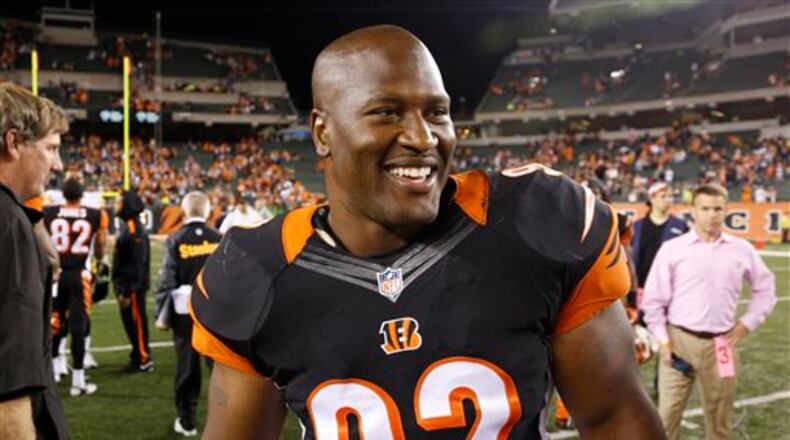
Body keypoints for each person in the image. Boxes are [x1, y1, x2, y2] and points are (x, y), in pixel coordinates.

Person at [191, 25, 664, 439]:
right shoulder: (256, 272)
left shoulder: (537, 223)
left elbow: (614, 419)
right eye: (386, 112)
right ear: (322, 133)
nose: (423, 138)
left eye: (437, 112)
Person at [641, 184, 777, 440]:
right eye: (705, 208)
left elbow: (766, 289)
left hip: (721, 345)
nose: (711, 215)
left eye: (717, 208)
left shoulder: (742, 249)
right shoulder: (673, 249)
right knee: (665, 420)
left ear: (726, 210)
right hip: (678, 341)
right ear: (693, 211)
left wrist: (748, 322)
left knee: (720, 423)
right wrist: (663, 341)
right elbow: (654, 300)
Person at [0, 82, 68, 439]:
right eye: (51, 148)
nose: (58, 163)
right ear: (13, 143)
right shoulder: (10, 223)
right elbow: (10, 390)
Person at [154, 191, 221, 437]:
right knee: (220, 370)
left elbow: (166, 279)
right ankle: (225, 419)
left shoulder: (176, 238)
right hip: (215, 312)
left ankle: (187, 421)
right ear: (208, 211)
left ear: (183, 211)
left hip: (186, 313)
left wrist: (162, 315)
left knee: (187, 368)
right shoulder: (219, 237)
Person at [43, 177, 108, 395]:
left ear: (63, 194)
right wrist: (99, 258)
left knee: (54, 322)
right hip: (79, 274)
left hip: (55, 274)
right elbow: (100, 246)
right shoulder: (94, 214)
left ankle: (52, 373)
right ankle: (78, 382)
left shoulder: (49, 212)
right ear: (82, 195)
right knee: (78, 328)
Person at [112, 190, 153, 373]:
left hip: (133, 287)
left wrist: (127, 291)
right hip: (127, 285)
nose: (115, 204)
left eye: (119, 201)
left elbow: (137, 264)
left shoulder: (134, 228)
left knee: (136, 322)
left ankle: (143, 359)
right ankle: (137, 354)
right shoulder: (127, 226)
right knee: (130, 323)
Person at [631, 182, 688, 309]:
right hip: (641, 287)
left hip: (670, 288)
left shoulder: (681, 226)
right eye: (663, 196)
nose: (668, 200)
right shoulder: (637, 226)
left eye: (670, 196)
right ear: (652, 199)